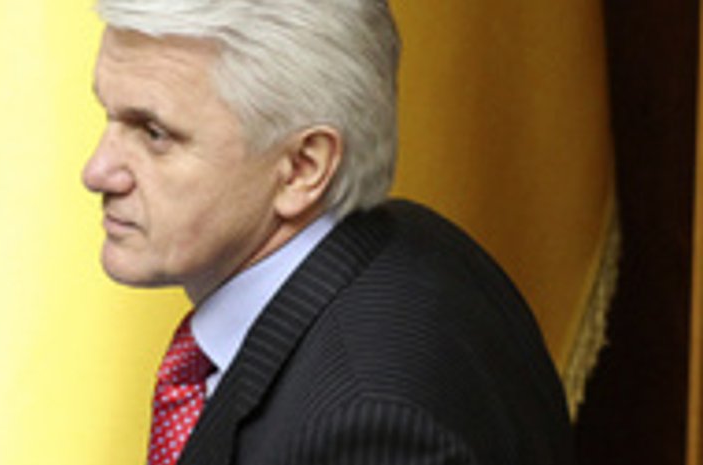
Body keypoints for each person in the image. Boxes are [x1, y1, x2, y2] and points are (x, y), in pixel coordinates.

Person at [82, 0, 576, 464]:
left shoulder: (365, 428)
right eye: (109, 116)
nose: (98, 172)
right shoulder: (414, 244)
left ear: (302, 168)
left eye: (154, 134)